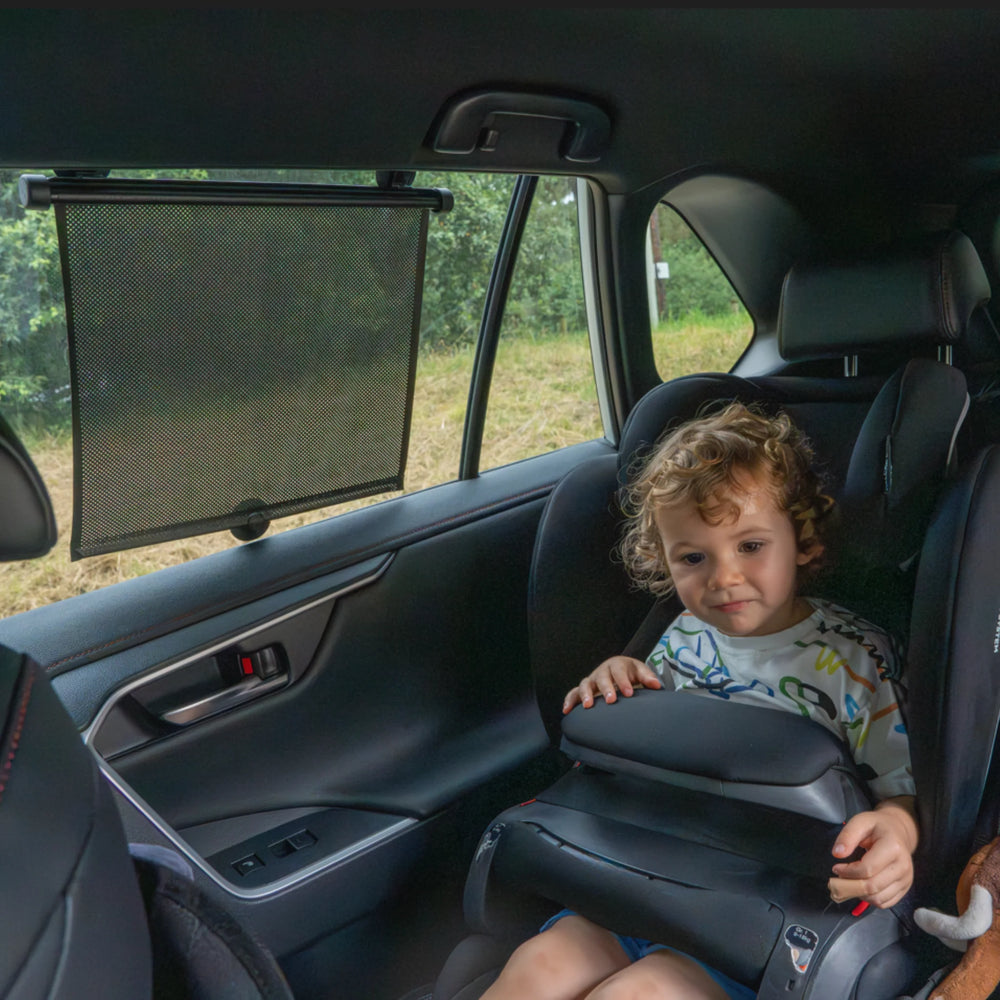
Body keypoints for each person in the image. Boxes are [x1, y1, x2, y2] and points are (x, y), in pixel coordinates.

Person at [481, 401, 918, 1000]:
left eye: (751, 546)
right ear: (664, 561)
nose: (723, 578)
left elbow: (902, 791)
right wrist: (621, 681)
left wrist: (896, 836)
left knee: (640, 994)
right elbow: (647, 753)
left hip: (758, 917)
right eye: (693, 558)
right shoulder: (680, 637)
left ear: (801, 539)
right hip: (648, 879)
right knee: (538, 968)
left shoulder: (855, 660)